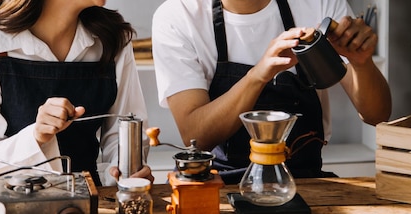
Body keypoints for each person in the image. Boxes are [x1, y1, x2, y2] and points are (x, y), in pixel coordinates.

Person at [152, 0, 391, 184]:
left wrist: (362, 64)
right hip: (215, 183)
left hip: (305, 180)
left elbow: (377, 116)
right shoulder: (177, 16)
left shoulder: (317, 4)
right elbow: (196, 135)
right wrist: (258, 75)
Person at [0, 0, 154, 186]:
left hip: (93, 206)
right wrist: (35, 137)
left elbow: (122, 133)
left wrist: (125, 171)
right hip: (12, 211)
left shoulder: (113, 41)